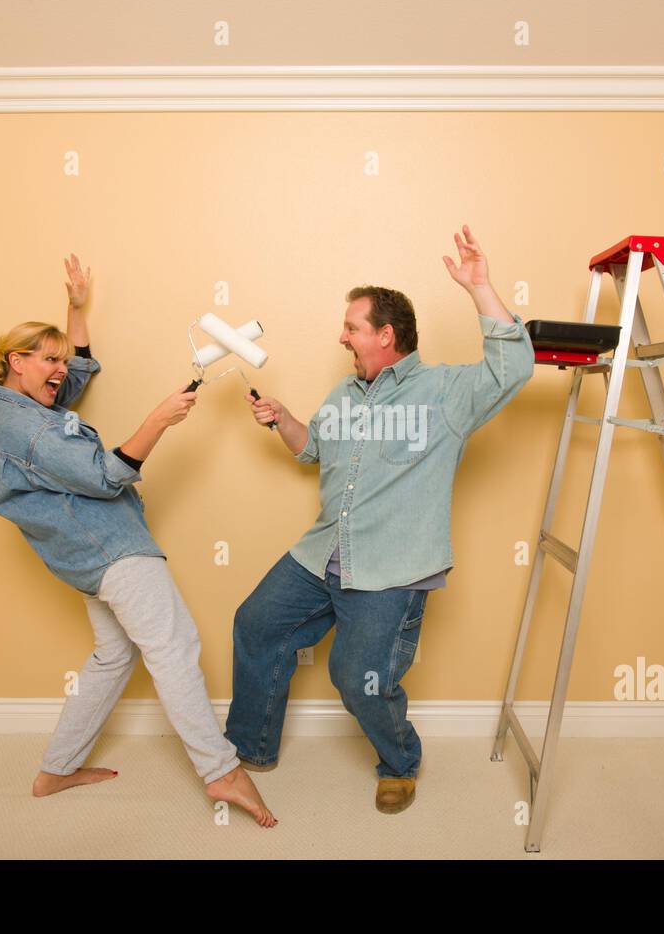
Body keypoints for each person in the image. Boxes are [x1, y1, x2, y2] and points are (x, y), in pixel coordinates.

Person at [226, 225, 535, 813]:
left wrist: (480, 288)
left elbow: (513, 369)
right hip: (324, 553)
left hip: (391, 567)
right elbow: (312, 447)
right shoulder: (345, 394)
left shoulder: (444, 392)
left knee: (356, 676)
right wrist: (284, 418)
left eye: (351, 327)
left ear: (385, 334)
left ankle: (400, 762)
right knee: (256, 624)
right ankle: (251, 748)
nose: (341, 337)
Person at [0, 254, 276, 827]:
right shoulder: (26, 427)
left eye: (59, 359)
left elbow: (80, 373)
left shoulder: (15, 404)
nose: (61, 370)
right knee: (175, 646)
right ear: (17, 362)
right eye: (48, 359)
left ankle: (56, 769)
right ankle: (222, 771)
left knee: (115, 655)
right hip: (110, 545)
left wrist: (76, 309)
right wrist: (159, 420)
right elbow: (104, 476)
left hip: (84, 553)